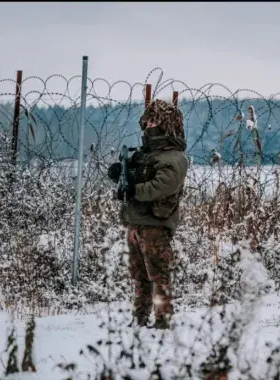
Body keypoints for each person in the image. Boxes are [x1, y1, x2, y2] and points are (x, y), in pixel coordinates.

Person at [107, 99, 188, 329]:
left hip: (156, 225)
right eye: (147, 121)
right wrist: (120, 175)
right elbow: (132, 177)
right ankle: (140, 318)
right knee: (139, 276)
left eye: (153, 121)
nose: (147, 126)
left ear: (166, 125)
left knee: (159, 275)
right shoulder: (144, 154)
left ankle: (163, 320)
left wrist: (134, 188)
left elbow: (162, 186)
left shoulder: (173, 157)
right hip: (135, 222)